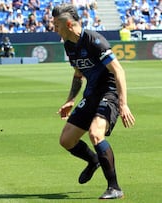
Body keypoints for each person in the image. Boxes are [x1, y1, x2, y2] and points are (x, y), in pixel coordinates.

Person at [52, 3, 135, 199]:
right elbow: (78, 74)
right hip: (91, 95)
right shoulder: (69, 44)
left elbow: (118, 71)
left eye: (56, 25)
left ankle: (114, 187)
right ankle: (93, 161)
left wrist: (123, 104)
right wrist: (70, 100)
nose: (54, 29)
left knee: (96, 133)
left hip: (110, 93)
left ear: (70, 25)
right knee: (66, 140)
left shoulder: (94, 41)